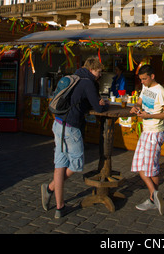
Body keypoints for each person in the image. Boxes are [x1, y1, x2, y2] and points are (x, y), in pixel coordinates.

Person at [41, 56, 108, 218]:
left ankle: (59, 207)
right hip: (71, 127)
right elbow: (98, 109)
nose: (100, 75)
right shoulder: (87, 82)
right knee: (77, 164)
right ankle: (50, 187)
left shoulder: (75, 77)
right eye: (99, 71)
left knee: (60, 164)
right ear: (92, 69)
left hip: (58, 124)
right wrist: (103, 103)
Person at [130, 64, 164, 215]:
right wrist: (135, 106)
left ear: (152, 76)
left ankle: (153, 198)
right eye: (140, 79)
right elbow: (140, 101)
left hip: (155, 132)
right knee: (141, 166)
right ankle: (154, 195)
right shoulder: (146, 87)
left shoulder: (160, 91)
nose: (142, 82)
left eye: (144, 79)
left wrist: (149, 116)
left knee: (150, 168)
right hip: (146, 131)